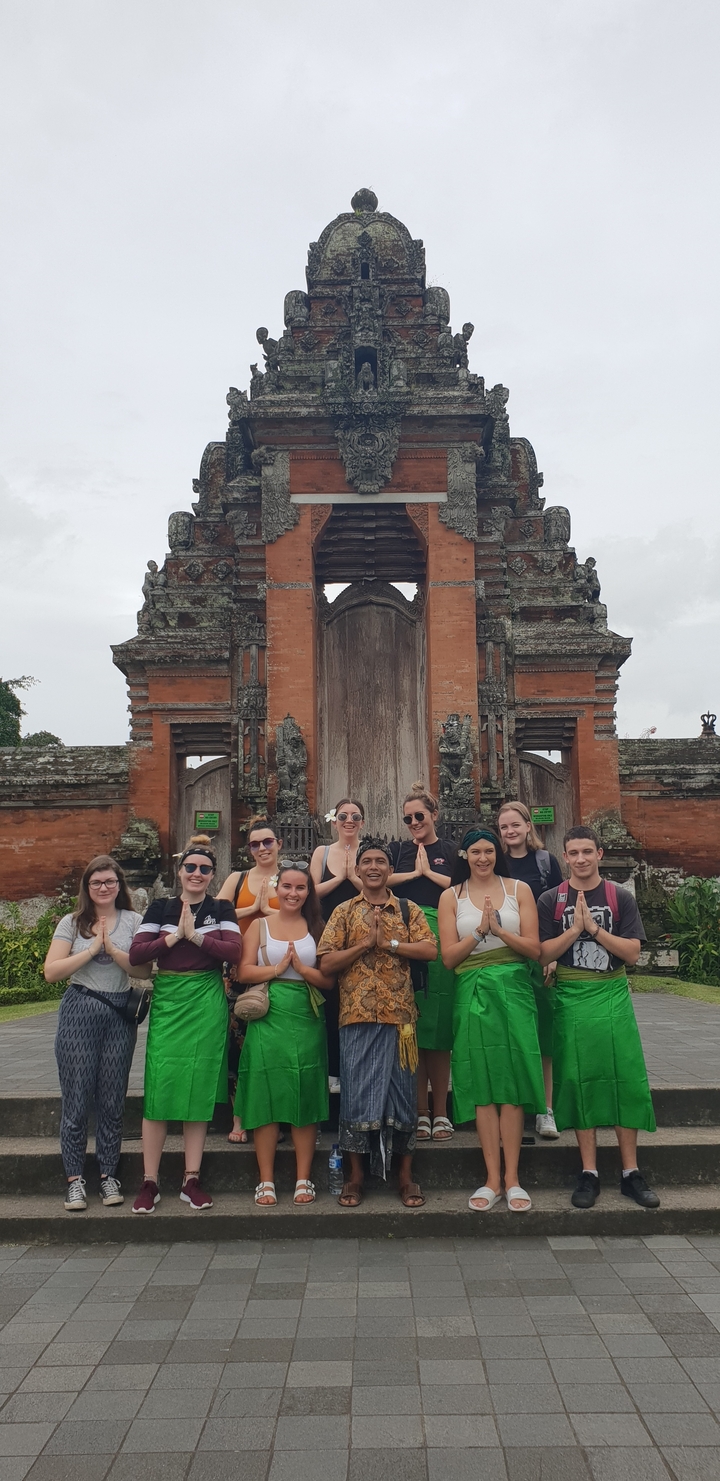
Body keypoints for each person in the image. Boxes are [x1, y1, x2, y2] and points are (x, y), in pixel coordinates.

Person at [538, 825, 659, 1210]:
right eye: (573, 853)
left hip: (611, 992)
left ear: (600, 854)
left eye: (587, 852)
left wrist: (593, 929)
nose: (580, 859)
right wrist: (574, 930)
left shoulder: (619, 897)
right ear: (565, 856)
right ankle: (588, 1171)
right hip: (571, 996)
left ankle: (630, 1172)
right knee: (577, 1078)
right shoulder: (551, 900)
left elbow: (633, 953)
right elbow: (542, 954)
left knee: (626, 1077)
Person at [317, 838, 437, 1208]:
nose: (373, 867)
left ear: (389, 870)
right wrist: (364, 944)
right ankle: (355, 1175)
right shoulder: (343, 911)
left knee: (401, 1093)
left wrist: (390, 945)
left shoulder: (406, 908)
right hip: (355, 1016)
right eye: (366, 861)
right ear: (357, 870)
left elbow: (430, 950)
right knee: (355, 1093)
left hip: (400, 1017)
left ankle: (404, 1175)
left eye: (380, 861)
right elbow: (325, 963)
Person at [128, 833, 242, 1213]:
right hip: (170, 1000)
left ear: (212, 874)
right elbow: (138, 952)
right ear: (179, 871)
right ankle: (150, 1180)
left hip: (206, 999)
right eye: (190, 867)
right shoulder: (160, 908)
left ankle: (191, 1178)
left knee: (199, 1083)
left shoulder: (222, 908)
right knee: (160, 1083)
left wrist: (197, 937)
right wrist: (176, 936)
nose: (197, 873)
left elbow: (234, 951)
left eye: (205, 869)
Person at [438, 826, 545, 1213]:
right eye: (474, 852)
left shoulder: (519, 890)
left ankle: (513, 1178)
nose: (482, 858)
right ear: (463, 856)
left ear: (497, 853)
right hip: (472, 990)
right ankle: (491, 1179)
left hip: (514, 989)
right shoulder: (452, 896)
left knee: (512, 1082)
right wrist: (480, 932)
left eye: (488, 851)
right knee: (481, 1082)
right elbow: (449, 959)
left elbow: (534, 948)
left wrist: (500, 930)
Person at [44, 855, 152, 1212]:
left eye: (110, 882)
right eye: (96, 883)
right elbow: (52, 971)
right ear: (87, 888)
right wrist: (91, 948)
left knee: (111, 1099)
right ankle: (74, 1180)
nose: (104, 888)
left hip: (118, 1013)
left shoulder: (134, 920)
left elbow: (143, 968)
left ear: (120, 885)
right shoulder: (73, 922)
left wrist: (112, 949)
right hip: (80, 1009)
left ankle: (108, 1175)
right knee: (76, 1100)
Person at [235, 861, 333, 1205]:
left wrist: (303, 969)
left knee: (305, 1090)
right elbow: (242, 971)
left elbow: (329, 979)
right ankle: (266, 1179)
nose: (293, 893)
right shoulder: (259, 926)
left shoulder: (319, 927)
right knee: (266, 1092)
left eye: (301, 888)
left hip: (306, 1013)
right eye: (288, 887)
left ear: (309, 892)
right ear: (277, 888)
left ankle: (303, 1178)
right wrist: (276, 969)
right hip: (268, 1013)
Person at [388, 782, 456, 1140]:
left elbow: (460, 887)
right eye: (408, 817)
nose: (414, 822)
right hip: (404, 938)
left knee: (439, 1029)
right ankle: (420, 1110)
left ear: (434, 816)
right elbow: (383, 881)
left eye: (420, 816)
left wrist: (429, 873)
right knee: (410, 1027)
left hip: (442, 936)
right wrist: (414, 873)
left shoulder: (450, 850)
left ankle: (442, 1110)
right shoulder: (399, 850)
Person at [497, 800, 564, 1140]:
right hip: (505, 956)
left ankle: (546, 1108)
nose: (510, 831)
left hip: (539, 956)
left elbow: (557, 908)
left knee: (543, 1034)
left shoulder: (545, 862)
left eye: (515, 825)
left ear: (528, 826)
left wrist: (551, 953)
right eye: (504, 827)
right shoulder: (494, 862)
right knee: (512, 1035)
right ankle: (517, 1105)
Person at [217, 818, 280, 1145]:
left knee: (274, 1046)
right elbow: (212, 917)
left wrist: (268, 911)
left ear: (278, 844)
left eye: (267, 842)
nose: (261, 849)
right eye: (255, 844)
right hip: (239, 970)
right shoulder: (238, 878)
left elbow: (304, 917)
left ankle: (272, 1115)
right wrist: (252, 909)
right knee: (238, 1045)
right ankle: (239, 1116)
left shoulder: (290, 878)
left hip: (281, 970)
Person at [310, 798, 364, 1093]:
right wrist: (341, 878)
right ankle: (331, 1075)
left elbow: (379, 889)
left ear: (362, 823)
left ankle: (355, 1071)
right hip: (328, 937)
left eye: (355, 816)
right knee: (330, 1003)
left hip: (362, 938)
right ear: (334, 821)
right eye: (343, 815)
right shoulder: (323, 851)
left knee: (357, 1005)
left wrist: (353, 877)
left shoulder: (367, 852)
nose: (349, 820)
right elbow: (311, 891)